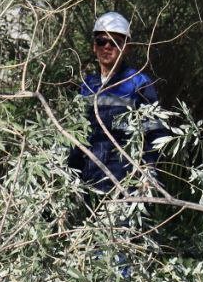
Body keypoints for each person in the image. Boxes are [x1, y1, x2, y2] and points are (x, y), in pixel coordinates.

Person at [68, 11, 164, 191]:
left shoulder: (139, 82)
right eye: (101, 41)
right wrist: (69, 172)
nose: (107, 47)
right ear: (94, 47)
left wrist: (148, 170)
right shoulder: (88, 85)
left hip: (124, 179)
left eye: (115, 43)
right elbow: (77, 133)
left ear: (126, 48)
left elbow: (155, 131)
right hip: (89, 178)